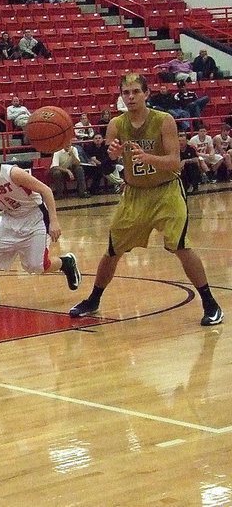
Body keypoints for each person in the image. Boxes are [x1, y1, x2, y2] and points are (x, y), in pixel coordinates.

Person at [69, 73, 224, 326]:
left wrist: (149, 157)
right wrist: (112, 157)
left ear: (146, 94)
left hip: (167, 191)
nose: (130, 97)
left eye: (135, 92)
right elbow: (106, 169)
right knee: (112, 251)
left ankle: (210, 303)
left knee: (180, 246)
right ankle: (94, 299)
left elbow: (175, 162)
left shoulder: (164, 120)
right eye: (126, 93)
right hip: (134, 195)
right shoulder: (117, 125)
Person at [0, 140, 81, 305]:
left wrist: (54, 220)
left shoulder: (13, 173)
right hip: (10, 219)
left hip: (35, 217)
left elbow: (46, 190)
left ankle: (66, 262)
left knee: (36, 266)